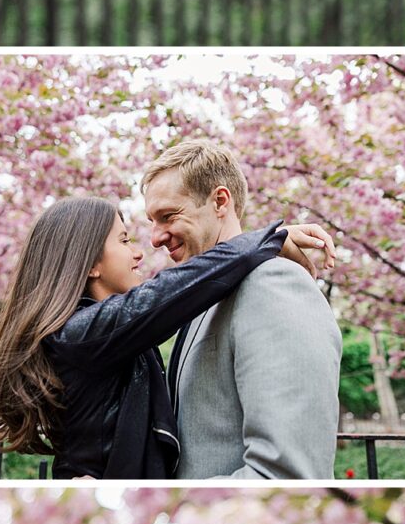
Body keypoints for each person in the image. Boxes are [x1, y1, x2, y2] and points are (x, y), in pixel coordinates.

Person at [0, 195, 335, 480]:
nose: (139, 251)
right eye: (123, 240)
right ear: (90, 264)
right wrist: (272, 238)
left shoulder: (94, 334)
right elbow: (174, 289)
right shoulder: (82, 334)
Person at [142, 138, 343, 479]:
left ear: (220, 201)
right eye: (152, 221)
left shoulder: (273, 283)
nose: (156, 238)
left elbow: (286, 475)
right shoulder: (203, 300)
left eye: (168, 216)